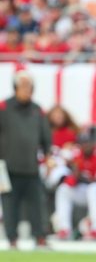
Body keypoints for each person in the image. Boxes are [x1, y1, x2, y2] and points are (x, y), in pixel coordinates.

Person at [0, 70, 51, 248]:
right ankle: (12, 239)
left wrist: (49, 156)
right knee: (9, 204)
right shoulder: (4, 107)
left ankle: (40, 237)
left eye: (29, 86)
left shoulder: (37, 110)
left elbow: (45, 136)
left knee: (37, 204)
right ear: (15, 87)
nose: (26, 90)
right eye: (22, 86)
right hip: (7, 165)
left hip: (31, 166)